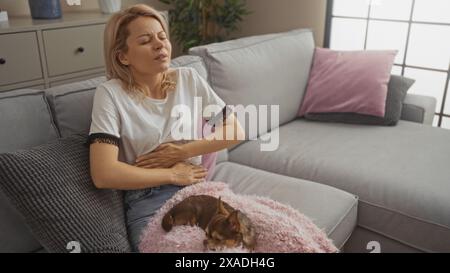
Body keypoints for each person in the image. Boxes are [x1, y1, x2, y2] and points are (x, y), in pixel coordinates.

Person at [88, 4, 245, 252]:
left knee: (266, 235)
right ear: (123, 56)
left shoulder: (188, 79)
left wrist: (184, 152)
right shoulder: (111, 94)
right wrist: (172, 175)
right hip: (149, 199)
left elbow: (234, 130)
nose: (160, 45)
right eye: (145, 40)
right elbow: (103, 173)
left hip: (199, 192)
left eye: (162, 37)